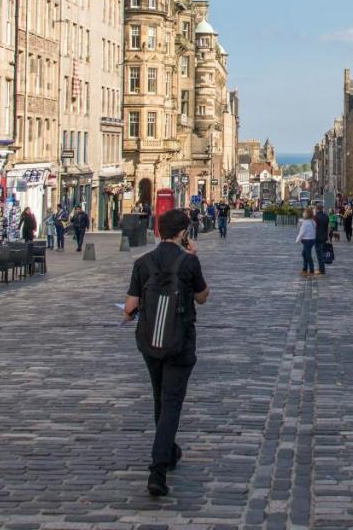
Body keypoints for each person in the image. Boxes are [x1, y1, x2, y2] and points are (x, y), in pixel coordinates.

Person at [124, 209, 209, 498]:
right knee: (171, 402)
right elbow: (202, 296)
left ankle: (169, 451)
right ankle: (158, 468)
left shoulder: (142, 262)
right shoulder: (188, 262)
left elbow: (129, 307)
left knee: (160, 398)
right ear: (183, 233)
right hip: (180, 339)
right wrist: (194, 257)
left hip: (150, 340)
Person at [295, 209, 318, 276]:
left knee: (307, 255)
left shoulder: (305, 222)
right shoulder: (313, 221)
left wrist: (297, 240)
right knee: (304, 254)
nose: (303, 214)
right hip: (312, 239)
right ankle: (305, 269)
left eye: (304, 213)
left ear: (307, 214)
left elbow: (301, 232)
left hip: (307, 240)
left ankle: (311, 270)